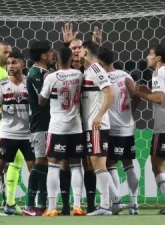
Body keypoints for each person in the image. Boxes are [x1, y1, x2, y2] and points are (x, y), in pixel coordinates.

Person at [125, 44, 165, 214]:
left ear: (159, 58)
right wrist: (146, 91)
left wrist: (136, 92)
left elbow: (158, 99)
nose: (147, 57)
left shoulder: (158, 73)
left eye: (150, 54)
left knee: (157, 164)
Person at [58, 23, 102, 214]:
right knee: (65, 164)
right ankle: (67, 206)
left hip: (90, 122)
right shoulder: (63, 70)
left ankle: (91, 204)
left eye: (79, 47)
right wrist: (64, 44)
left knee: (90, 164)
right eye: (72, 48)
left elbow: (101, 69)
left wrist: (96, 48)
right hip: (71, 123)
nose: (76, 51)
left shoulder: (90, 69)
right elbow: (58, 67)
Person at [39, 46, 85, 216]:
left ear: (57, 61)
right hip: (76, 127)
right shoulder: (79, 75)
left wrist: (46, 81)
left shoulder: (51, 77)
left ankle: (51, 208)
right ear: (71, 60)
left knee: (53, 166)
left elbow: (41, 101)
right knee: (75, 165)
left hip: (57, 127)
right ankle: (78, 205)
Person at [0, 51, 35, 215]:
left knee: (33, 169)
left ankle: (32, 205)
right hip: (7, 134)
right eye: (8, 63)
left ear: (22, 64)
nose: (10, 66)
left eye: (14, 63)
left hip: (27, 134)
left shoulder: (30, 83)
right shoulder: (1, 85)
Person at [97, 47, 140, 215]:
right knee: (129, 165)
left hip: (113, 128)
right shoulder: (125, 75)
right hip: (128, 126)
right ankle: (134, 204)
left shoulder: (103, 78)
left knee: (109, 164)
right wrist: (130, 111)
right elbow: (136, 95)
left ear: (100, 63)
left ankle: (117, 201)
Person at [0, 41, 25, 215]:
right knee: (2, 163)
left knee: (8, 163)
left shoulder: (6, 71)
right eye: (5, 53)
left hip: (8, 123)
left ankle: (2, 202)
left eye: (10, 53)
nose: (8, 56)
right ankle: (0, 203)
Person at [79, 40, 115, 216]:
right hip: (90, 126)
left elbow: (110, 92)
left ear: (85, 53)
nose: (76, 53)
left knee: (98, 163)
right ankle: (115, 202)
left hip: (97, 126)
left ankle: (105, 206)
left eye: (79, 51)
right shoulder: (88, 71)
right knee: (96, 165)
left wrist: (99, 115)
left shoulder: (94, 69)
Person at [22, 40, 54, 216]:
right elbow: (43, 99)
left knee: (46, 164)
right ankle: (29, 204)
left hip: (48, 123)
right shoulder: (36, 73)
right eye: (50, 52)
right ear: (43, 55)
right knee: (40, 162)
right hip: (40, 124)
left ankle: (41, 204)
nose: (52, 54)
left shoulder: (44, 72)